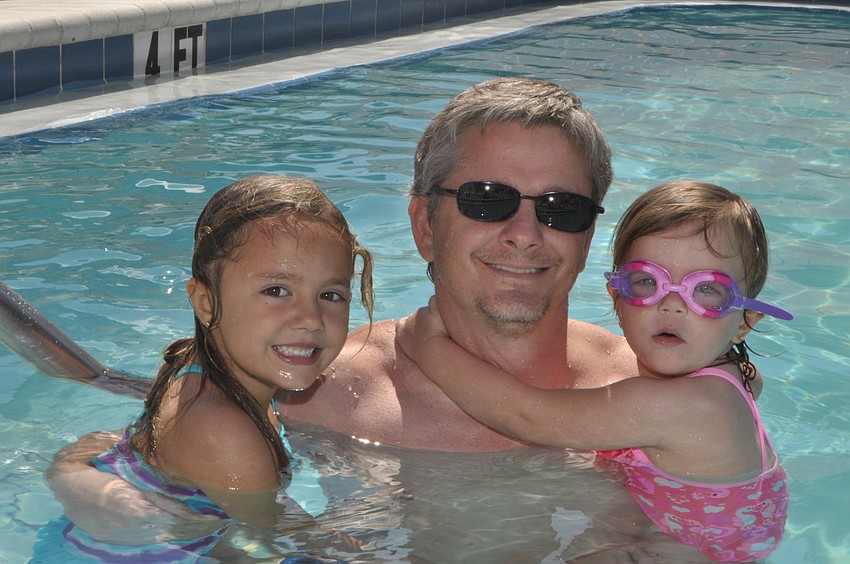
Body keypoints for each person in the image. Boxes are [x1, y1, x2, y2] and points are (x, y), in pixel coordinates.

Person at [47, 77, 641, 549]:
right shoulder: (316, 384)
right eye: (486, 200)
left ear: (590, 233)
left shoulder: (644, 393)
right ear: (422, 225)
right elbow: (145, 448)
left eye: (563, 208)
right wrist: (84, 484)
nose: (524, 233)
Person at [396, 180, 791, 561]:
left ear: (745, 319)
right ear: (616, 297)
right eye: (646, 282)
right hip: (708, 537)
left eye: (707, 290)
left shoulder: (677, 404)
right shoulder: (736, 378)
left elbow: (527, 415)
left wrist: (430, 348)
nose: (672, 305)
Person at [43, 174, 374, 558]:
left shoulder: (198, 373)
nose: (311, 318)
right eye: (276, 291)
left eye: (330, 295)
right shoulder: (223, 429)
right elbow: (291, 543)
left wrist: (69, 469)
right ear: (206, 302)